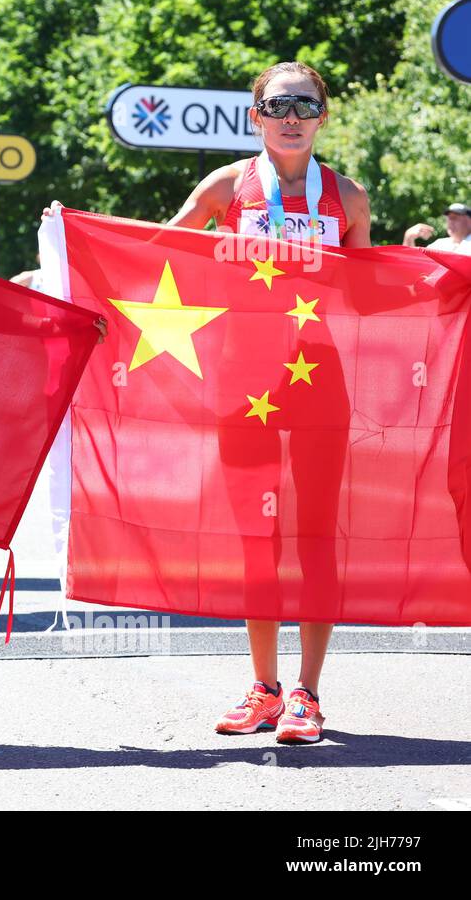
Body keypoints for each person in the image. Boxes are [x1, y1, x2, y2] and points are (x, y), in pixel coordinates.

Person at [166, 61, 371, 744]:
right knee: (257, 538)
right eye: (277, 104)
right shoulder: (229, 186)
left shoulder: (348, 197)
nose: (291, 116)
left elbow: (367, 294)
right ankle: (263, 688)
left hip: (320, 379)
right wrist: (74, 236)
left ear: (323, 115)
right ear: (255, 116)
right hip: (243, 381)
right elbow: (161, 251)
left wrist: (440, 278)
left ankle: (308, 695)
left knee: (313, 535)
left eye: (304, 104)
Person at [403, 203, 471, 254]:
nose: (450, 222)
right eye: (448, 218)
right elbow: (414, 264)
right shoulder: (440, 244)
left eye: (454, 218)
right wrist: (409, 237)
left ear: (469, 221)